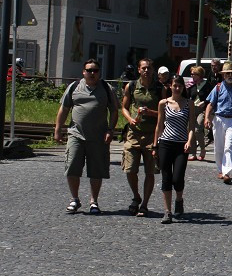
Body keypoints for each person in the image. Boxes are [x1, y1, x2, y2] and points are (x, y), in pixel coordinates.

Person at [54, 59, 118, 215]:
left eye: (95, 70)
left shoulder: (106, 88)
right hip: (76, 134)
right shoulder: (75, 87)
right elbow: (64, 109)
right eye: (89, 70)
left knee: (96, 171)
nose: (92, 73)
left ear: (99, 73)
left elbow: (114, 111)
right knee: (72, 167)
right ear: (83, 72)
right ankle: (74, 199)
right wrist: (57, 129)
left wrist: (110, 130)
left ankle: (93, 201)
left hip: (98, 137)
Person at [121, 58, 163, 216]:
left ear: (153, 70)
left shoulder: (159, 88)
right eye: (144, 68)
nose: (147, 70)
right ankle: (136, 196)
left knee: (150, 171)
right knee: (130, 169)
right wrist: (129, 118)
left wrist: (150, 113)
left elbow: (165, 113)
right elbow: (124, 107)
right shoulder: (131, 86)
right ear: (139, 70)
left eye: (149, 68)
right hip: (134, 133)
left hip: (152, 134)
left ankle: (144, 204)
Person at [152, 75, 195, 224]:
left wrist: (189, 141)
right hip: (165, 143)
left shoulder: (189, 103)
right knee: (166, 177)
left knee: (177, 178)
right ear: (170, 86)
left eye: (180, 86)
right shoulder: (163, 103)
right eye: (175, 85)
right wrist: (155, 145)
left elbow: (191, 126)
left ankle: (179, 199)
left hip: (181, 144)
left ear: (183, 88)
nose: (177, 88)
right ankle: (167, 211)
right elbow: (159, 125)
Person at [203, 61, 232, 184]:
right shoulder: (218, 87)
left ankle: (227, 172)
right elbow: (210, 104)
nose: (229, 76)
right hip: (219, 119)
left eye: (231, 74)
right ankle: (220, 169)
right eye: (227, 73)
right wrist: (207, 118)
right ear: (223, 75)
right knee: (218, 146)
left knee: (229, 145)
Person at [186, 65, 213, 161]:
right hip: (193, 110)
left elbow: (211, 98)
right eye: (192, 74)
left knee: (198, 130)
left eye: (194, 74)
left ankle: (202, 149)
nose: (192, 76)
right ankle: (193, 152)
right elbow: (187, 97)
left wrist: (204, 102)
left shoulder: (207, 85)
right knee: (191, 130)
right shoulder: (191, 86)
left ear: (200, 75)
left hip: (202, 110)